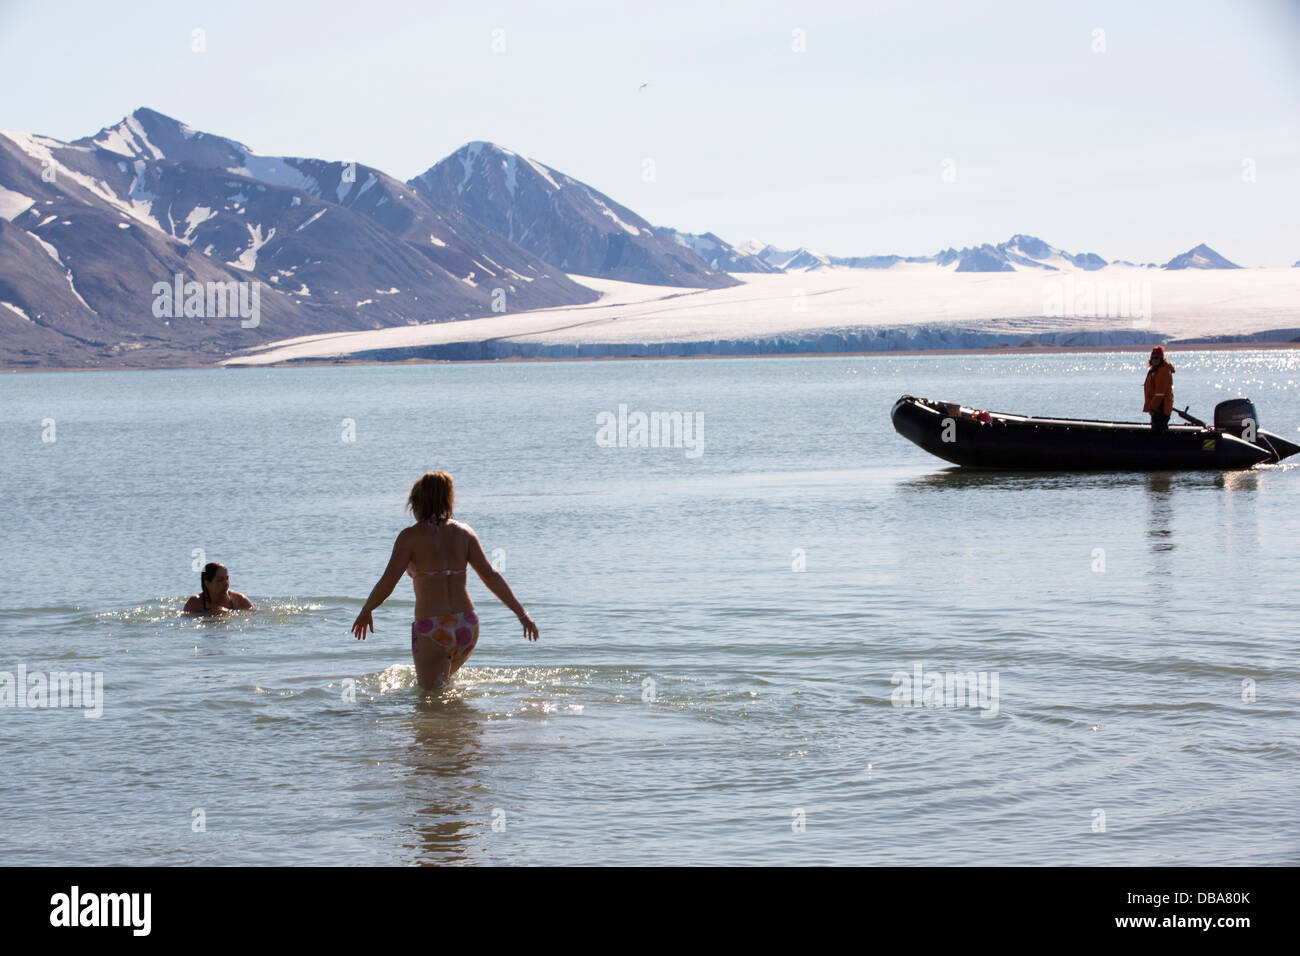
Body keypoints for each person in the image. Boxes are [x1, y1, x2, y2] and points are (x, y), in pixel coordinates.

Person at [350, 471, 538, 690]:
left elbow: (388, 581)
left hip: (433, 627)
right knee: (444, 688)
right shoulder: (465, 533)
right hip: (467, 624)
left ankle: (446, 722)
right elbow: (490, 576)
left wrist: (367, 609)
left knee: (429, 699)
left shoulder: (409, 537)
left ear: (416, 503)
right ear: (448, 500)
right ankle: (459, 723)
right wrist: (522, 614)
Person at [184, 562, 254, 613]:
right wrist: (207, 615)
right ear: (207, 583)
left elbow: (255, 616)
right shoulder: (195, 602)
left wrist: (228, 614)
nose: (226, 583)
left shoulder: (239, 600)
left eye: (227, 578)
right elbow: (185, 620)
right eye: (220, 580)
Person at [1143, 346, 1175, 432]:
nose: (1154, 360)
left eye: (1157, 358)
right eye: (1153, 358)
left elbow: (1160, 393)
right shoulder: (1154, 371)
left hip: (1161, 408)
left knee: (1159, 431)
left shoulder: (1162, 371)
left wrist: (1153, 407)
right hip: (1158, 408)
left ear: (1161, 359)